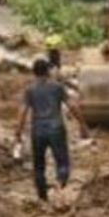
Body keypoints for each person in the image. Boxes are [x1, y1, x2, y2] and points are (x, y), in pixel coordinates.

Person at [16, 58, 90, 203]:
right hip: (56, 128)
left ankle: (42, 198)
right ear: (48, 71)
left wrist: (18, 132)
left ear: (34, 72)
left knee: (38, 165)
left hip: (37, 129)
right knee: (62, 161)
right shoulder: (57, 87)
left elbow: (23, 112)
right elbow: (72, 106)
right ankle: (60, 182)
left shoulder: (30, 90)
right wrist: (83, 125)